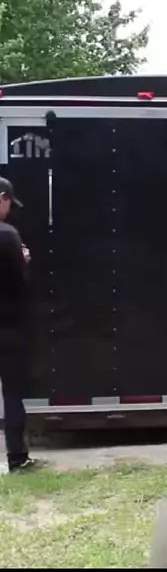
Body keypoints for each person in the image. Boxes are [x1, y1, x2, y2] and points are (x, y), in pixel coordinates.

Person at [0, 176, 39, 472]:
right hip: (7, 327)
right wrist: (23, 260)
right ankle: (17, 458)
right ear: (2, 198)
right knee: (12, 393)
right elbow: (20, 283)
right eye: (8, 204)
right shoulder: (7, 235)